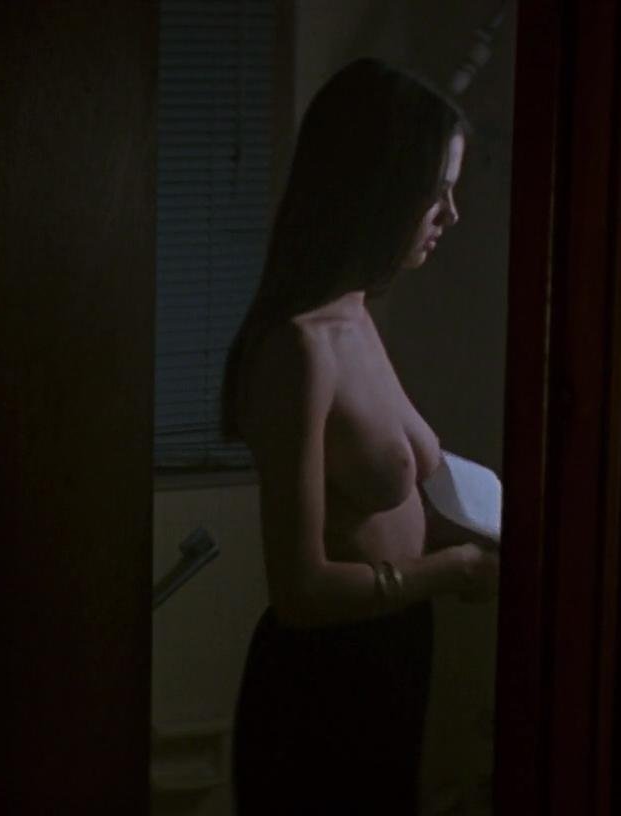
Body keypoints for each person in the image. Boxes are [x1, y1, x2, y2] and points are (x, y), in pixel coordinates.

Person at [223, 58, 501, 815]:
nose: (450, 214)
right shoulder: (299, 349)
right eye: (435, 190)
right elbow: (300, 591)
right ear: (378, 187)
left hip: (390, 656)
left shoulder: (358, 317)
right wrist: (453, 568)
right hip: (323, 684)